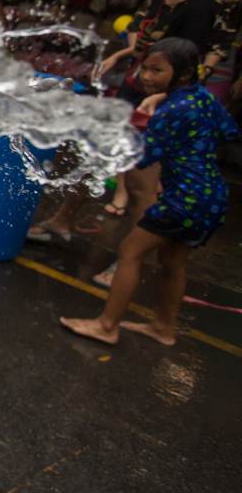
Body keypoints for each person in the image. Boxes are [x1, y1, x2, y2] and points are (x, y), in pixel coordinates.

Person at [61, 38, 239, 346]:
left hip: (183, 197)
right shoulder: (202, 98)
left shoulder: (172, 111)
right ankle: (163, 327)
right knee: (173, 261)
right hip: (211, 195)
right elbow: (229, 130)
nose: (146, 76)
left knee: (131, 251)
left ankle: (106, 326)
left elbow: (142, 157)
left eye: (156, 70)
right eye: (145, 68)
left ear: (183, 74)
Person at [92, 0, 231, 219]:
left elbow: (187, 66)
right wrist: (121, 55)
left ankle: (129, 258)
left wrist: (163, 98)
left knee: (143, 183)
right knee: (103, 156)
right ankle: (63, 220)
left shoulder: (200, 9)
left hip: (158, 100)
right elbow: (142, 38)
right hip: (135, 86)